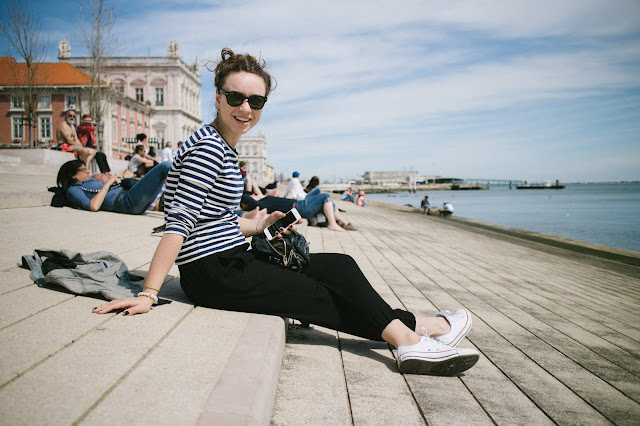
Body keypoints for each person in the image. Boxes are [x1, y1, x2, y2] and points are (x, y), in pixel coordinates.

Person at [92, 47, 479, 376]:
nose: (246, 108)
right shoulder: (209, 148)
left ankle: (424, 327)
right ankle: (411, 340)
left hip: (230, 259)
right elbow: (179, 224)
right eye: (236, 98)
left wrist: (261, 224)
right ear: (218, 97)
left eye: (256, 101)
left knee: (339, 267)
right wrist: (148, 293)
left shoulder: (220, 144)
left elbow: (215, 219)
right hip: (214, 273)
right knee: (319, 295)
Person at [57, 159, 171, 214]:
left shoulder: (88, 181)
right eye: (83, 170)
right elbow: (94, 206)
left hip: (129, 198)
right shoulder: (73, 190)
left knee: (163, 173)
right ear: (72, 175)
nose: (87, 171)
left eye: (86, 168)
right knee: (165, 166)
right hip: (124, 202)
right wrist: (108, 183)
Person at [240, 191, 356, 231]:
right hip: (299, 207)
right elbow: (246, 198)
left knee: (322, 196)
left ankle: (343, 222)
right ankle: (333, 223)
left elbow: (258, 194)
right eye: (252, 195)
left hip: (300, 204)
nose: (253, 195)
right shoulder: (260, 204)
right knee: (325, 196)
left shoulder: (263, 198)